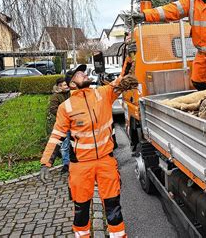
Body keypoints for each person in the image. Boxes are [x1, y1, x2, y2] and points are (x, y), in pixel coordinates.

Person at [40, 62, 135, 237]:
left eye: (83, 72)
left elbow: (120, 82)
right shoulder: (66, 107)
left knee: (113, 205)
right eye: (79, 73)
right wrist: (46, 162)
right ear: (72, 84)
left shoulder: (102, 94)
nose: (84, 74)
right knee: (81, 209)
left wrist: (128, 64)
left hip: (106, 161)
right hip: (80, 166)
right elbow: (57, 135)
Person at [47, 77, 71, 173]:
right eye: (65, 85)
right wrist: (64, 115)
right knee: (65, 145)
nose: (67, 86)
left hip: (73, 123)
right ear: (60, 87)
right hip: (64, 124)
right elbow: (53, 109)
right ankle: (66, 164)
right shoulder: (56, 97)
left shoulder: (71, 94)